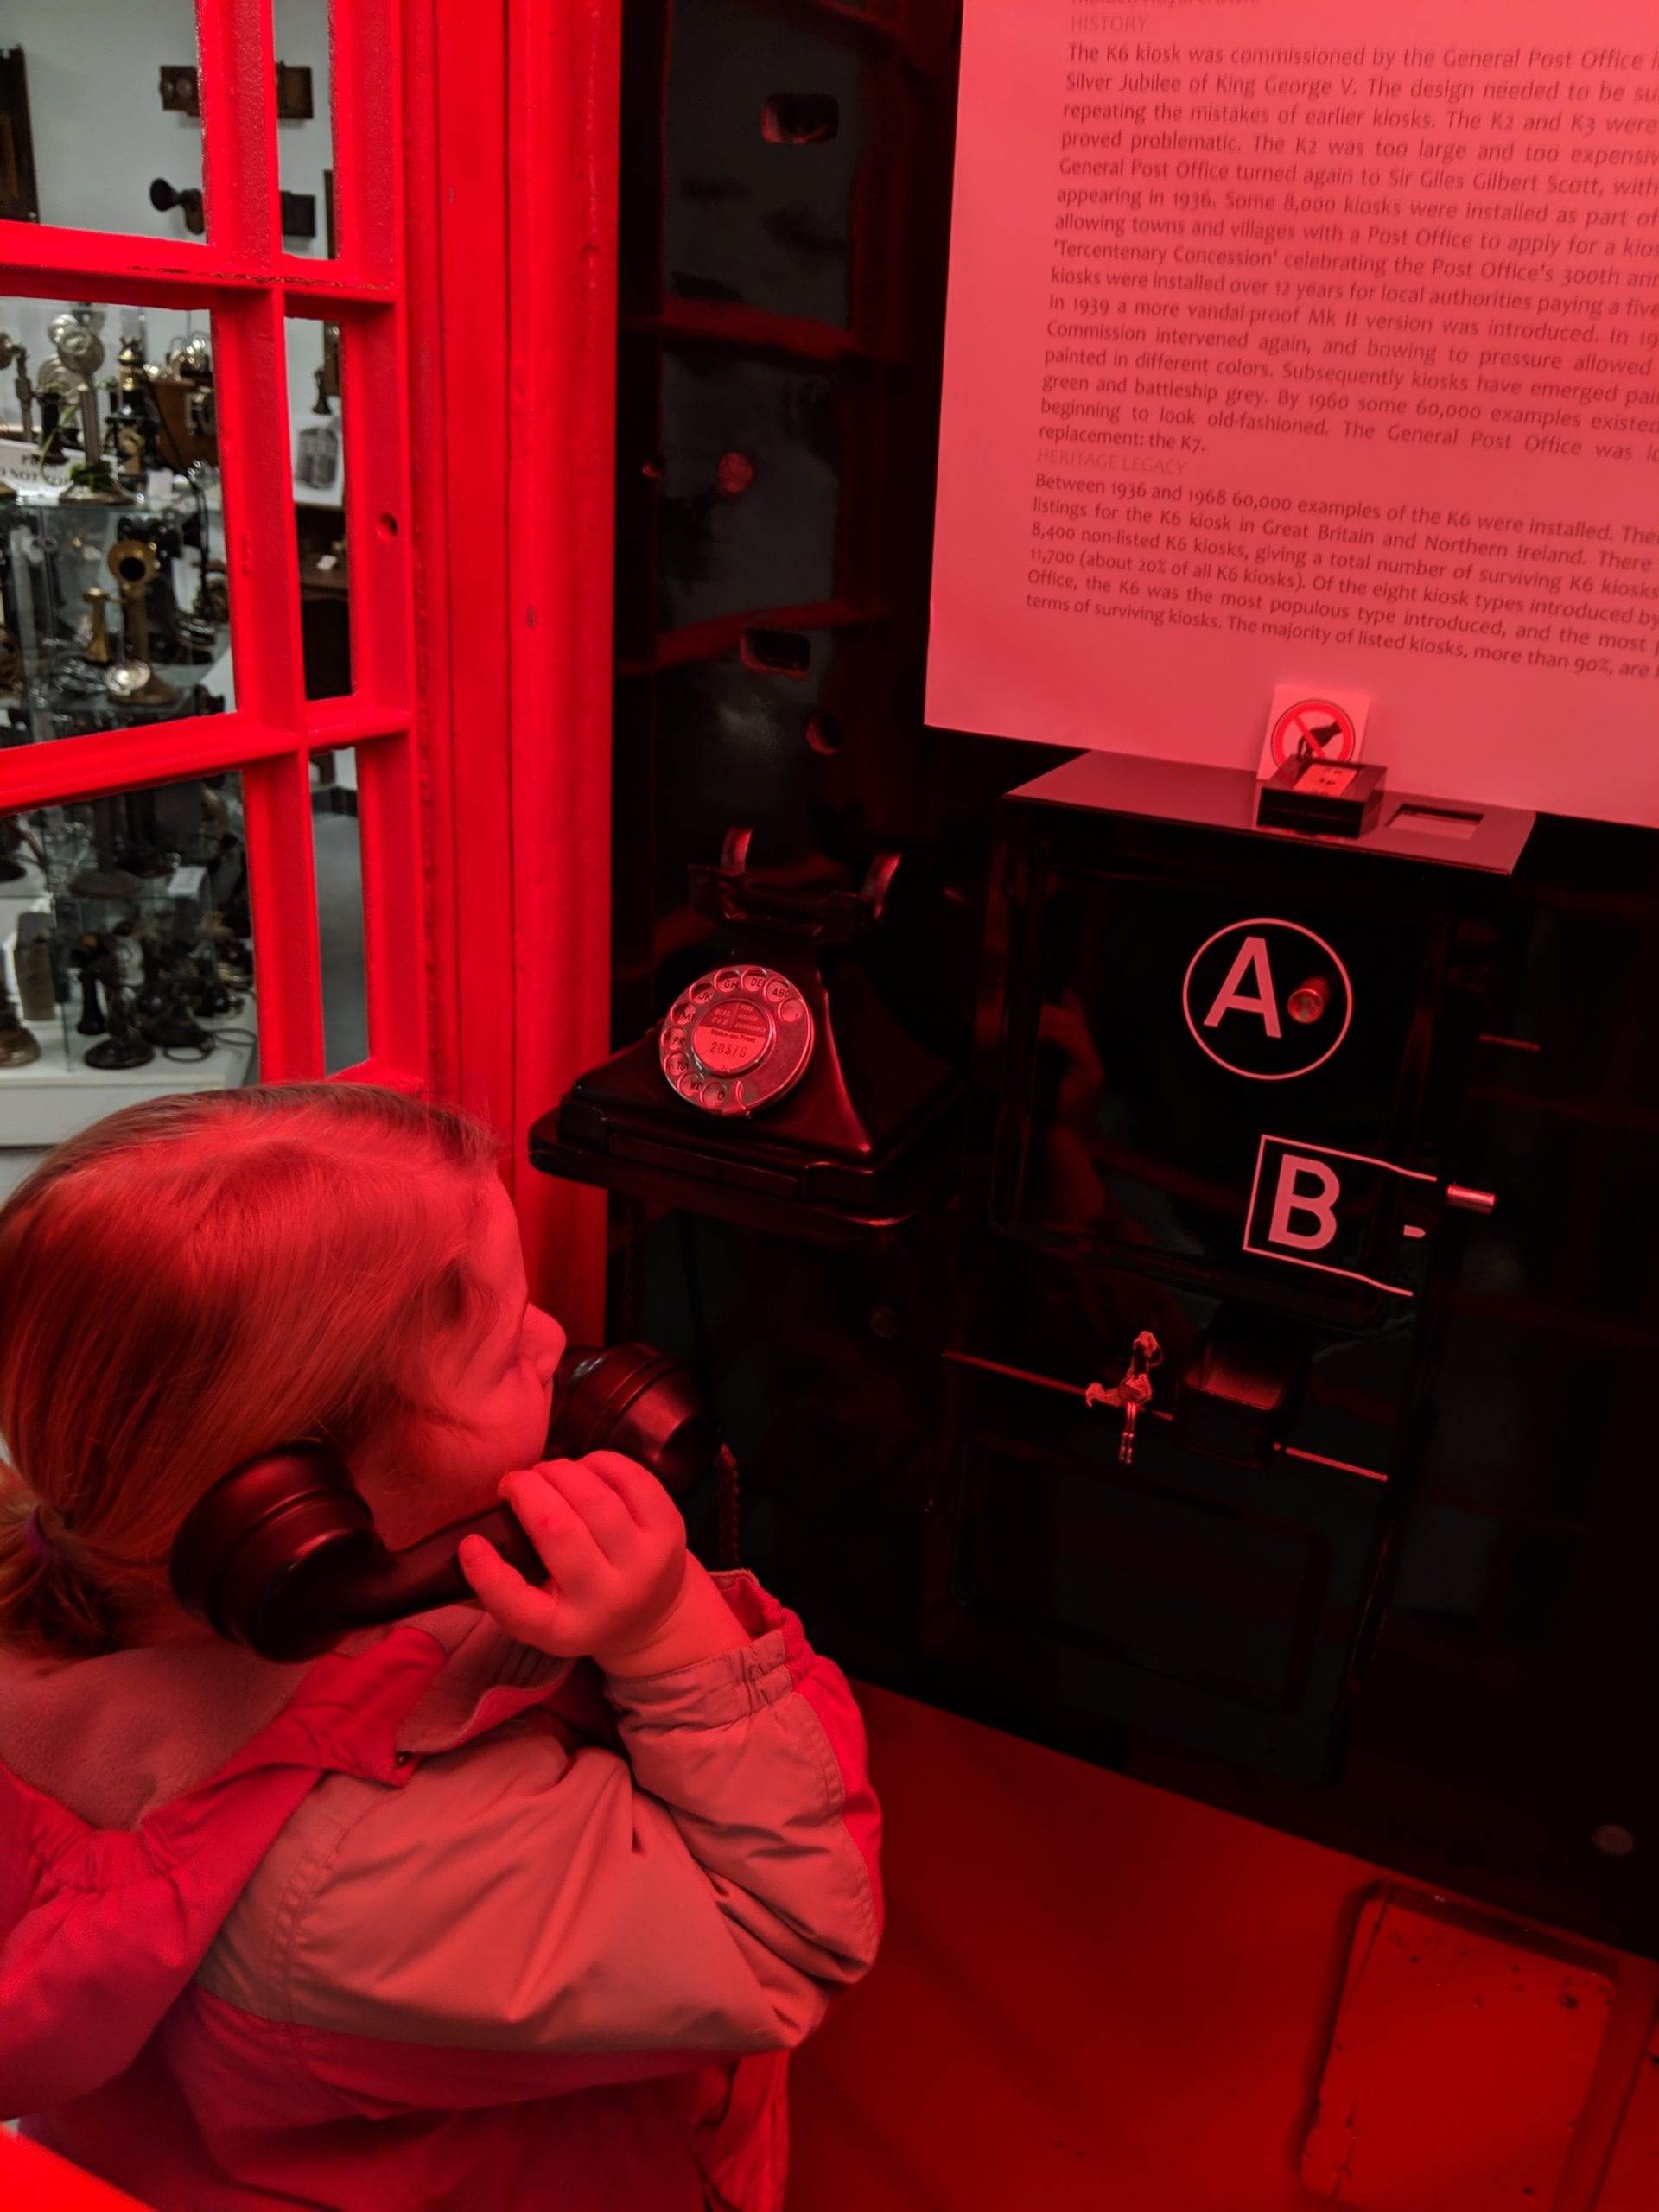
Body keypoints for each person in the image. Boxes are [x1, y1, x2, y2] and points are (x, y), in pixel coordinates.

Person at [0, 1084, 880, 2211]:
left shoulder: (86, 1580)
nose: (557, 1339)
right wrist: (672, 1636)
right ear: (307, 1524)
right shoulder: (348, 1883)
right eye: (507, 1345)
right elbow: (788, 1935)